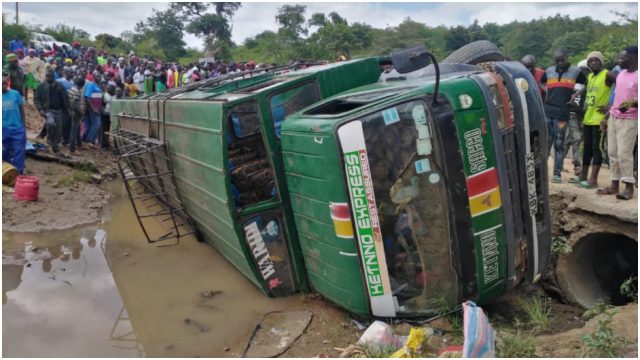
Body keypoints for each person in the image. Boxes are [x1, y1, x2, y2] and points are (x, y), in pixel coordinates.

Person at [541, 48, 587, 183]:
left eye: (562, 60)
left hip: (562, 114)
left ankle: (557, 174)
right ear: (554, 60)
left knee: (559, 144)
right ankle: (543, 172)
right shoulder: (549, 71)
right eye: (557, 60)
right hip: (548, 112)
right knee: (546, 143)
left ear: (566, 57)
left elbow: (585, 83)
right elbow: (541, 82)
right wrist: (547, 90)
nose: (560, 63)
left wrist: (575, 94)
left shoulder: (575, 71)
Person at [570, 52, 616, 188]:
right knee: (587, 148)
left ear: (602, 62)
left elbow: (622, 83)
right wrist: (577, 94)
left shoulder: (607, 74)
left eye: (596, 60)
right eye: (591, 61)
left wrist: (612, 104)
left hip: (600, 119)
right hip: (588, 118)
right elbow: (585, 89)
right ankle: (583, 175)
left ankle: (593, 180)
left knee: (597, 149)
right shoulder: (590, 76)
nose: (593, 63)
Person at [597, 46, 638, 200]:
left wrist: (630, 105)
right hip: (614, 117)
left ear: (633, 58)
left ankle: (628, 187)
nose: (618, 61)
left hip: (629, 120)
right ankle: (614, 185)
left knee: (624, 153)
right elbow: (616, 101)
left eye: (622, 58)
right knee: (612, 152)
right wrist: (606, 117)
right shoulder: (620, 75)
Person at [35, 70, 70, 154]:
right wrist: (40, 109)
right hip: (48, 110)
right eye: (46, 76)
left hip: (59, 110)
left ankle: (55, 145)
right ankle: (49, 140)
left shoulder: (59, 86)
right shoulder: (42, 86)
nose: (47, 78)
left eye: (49, 76)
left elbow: (66, 97)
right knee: (50, 123)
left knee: (58, 129)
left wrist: (68, 109)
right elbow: (37, 98)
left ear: (53, 77)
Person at [2, 75, 27, 174]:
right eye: (1, 84)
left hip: (17, 128)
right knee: (4, 152)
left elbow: (22, 110)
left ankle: (19, 173)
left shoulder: (15, 94)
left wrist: (23, 125)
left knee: (19, 152)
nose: (3, 86)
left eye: (5, 83)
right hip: (3, 129)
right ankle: (7, 173)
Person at [83, 71, 103, 147]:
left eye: (100, 76)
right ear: (94, 77)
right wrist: (93, 108)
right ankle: (89, 140)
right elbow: (87, 97)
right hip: (92, 108)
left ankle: (92, 141)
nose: (99, 78)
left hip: (98, 108)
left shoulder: (98, 85)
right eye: (97, 76)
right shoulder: (91, 84)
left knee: (94, 124)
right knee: (97, 124)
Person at [56, 68, 75, 146]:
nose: (72, 74)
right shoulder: (59, 81)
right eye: (71, 73)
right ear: (66, 73)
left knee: (68, 123)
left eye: (73, 73)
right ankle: (58, 139)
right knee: (61, 123)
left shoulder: (73, 82)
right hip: (60, 105)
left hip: (69, 105)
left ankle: (66, 139)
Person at [67, 77, 86, 155]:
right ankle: (72, 149)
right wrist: (80, 111)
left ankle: (79, 144)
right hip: (76, 112)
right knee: (74, 130)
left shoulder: (72, 89)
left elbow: (69, 100)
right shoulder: (78, 91)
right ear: (83, 85)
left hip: (71, 111)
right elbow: (74, 102)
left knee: (77, 128)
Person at [101, 85, 116, 150]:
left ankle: (116, 146)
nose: (107, 89)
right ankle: (104, 145)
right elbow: (103, 103)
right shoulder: (105, 95)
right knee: (105, 130)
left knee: (115, 130)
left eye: (109, 88)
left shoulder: (116, 95)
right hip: (106, 114)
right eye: (107, 88)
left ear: (113, 89)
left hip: (114, 114)